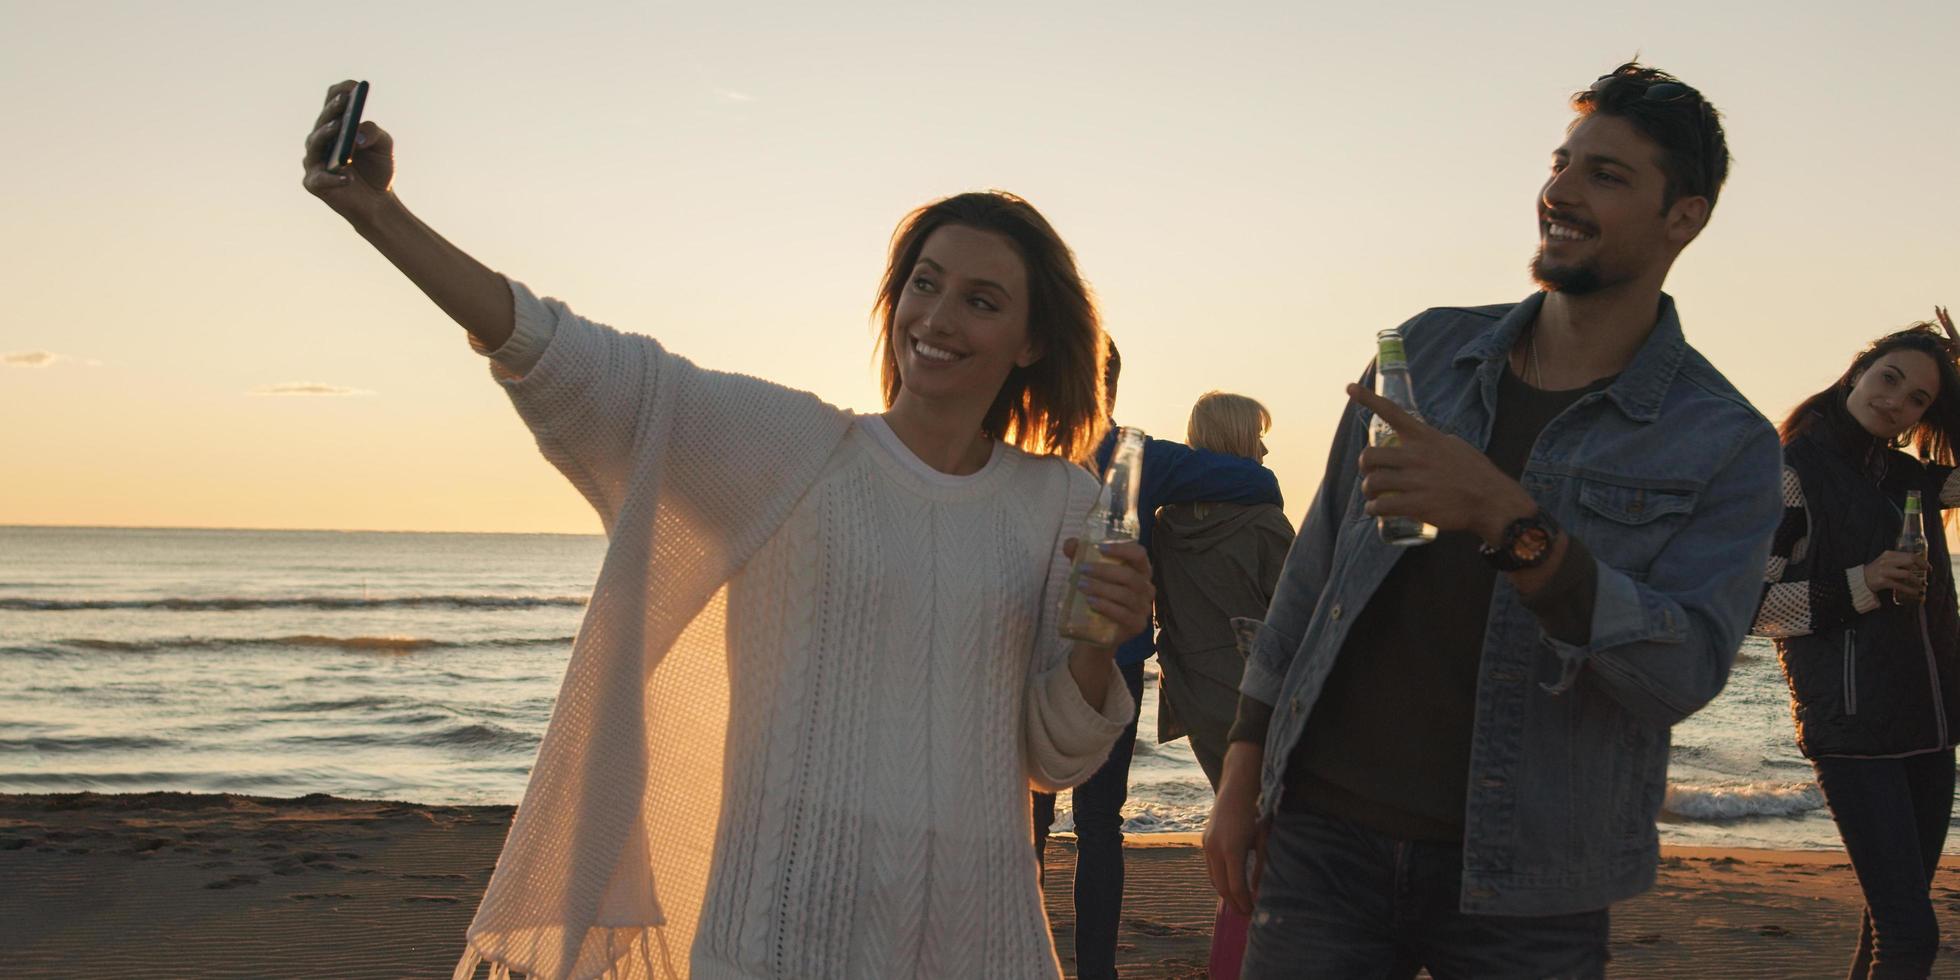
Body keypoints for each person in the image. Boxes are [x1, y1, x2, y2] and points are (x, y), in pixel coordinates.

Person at [301, 82, 1158, 980]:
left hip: (978, 935)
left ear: (1030, 340)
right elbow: (573, 358)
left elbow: (1052, 759)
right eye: (925, 284)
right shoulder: (793, 453)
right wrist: (376, 214)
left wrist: (1098, 642)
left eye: (982, 301)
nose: (937, 319)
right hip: (780, 929)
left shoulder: (1057, 502)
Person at [1204, 62, 1784, 978]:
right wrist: (1242, 775)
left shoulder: (1724, 442)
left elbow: (1684, 670)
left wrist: (1512, 525)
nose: (1560, 191)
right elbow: (1311, 582)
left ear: (1686, 217)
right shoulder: (1427, 351)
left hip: (1536, 882)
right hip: (1323, 841)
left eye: (1607, 175)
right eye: (1563, 162)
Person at [1029, 349, 1282, 980]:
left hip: (1047, 664)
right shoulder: (1136, 455)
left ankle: (1035, 960)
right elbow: (1259, 483)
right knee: (1095, 824)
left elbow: (1258, 484)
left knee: (1035, 822)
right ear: (1109, 385)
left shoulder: (1025, 449)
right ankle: (1094, 972)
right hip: (1089, 665)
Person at [1752, 309, 1960, 979]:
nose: (1896, 401)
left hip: (1929, 730)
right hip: (1855, 733)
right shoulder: (1790, 473)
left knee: (1889, 930)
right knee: (1911, 938)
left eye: (1918, 399)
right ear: (1857, 372)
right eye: (1888, 379)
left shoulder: (1904, 478)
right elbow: (1750, 607)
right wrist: (1864, 582)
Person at [1148, 391, 1293, 980]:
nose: (1262, 447)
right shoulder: (1263, 522)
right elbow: (1297, 617)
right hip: (1256, 699)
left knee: (1240, 830)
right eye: (1256, 435)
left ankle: (1232, 959)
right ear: (1236, 441)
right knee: (1273, 837)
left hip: (1194, 695)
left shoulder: (1163, 526)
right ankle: (1245, 961)